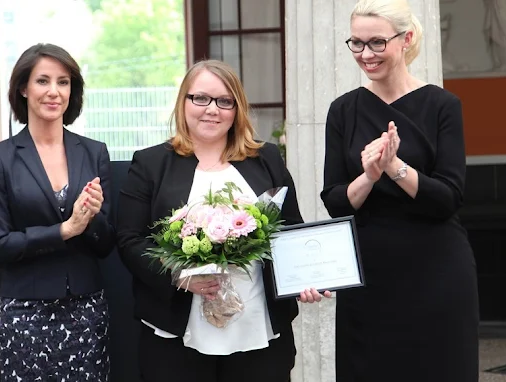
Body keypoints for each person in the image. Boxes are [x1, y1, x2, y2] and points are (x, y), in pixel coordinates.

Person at [116, 59, 331, 382]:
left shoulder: (267, 158)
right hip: (177, 335)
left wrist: (305, 277)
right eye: (200, 98)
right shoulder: (151, 164)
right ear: (183, 102)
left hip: (259, 330)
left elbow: (290, 230)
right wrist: (178, 276)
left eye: (224, 101)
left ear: (237, 109)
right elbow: (130, 239)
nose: (211, 110)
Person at [321, 1, 479, 381]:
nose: (365, 54)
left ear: (406, 39)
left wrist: (395, 168)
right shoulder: (343, 110)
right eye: (356, 44)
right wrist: (370, 175)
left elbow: (448, 199)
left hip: (436, 270)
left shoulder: (443, 105)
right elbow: (335, 201)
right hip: (369, 275)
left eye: (376, 43)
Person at [0, 43, 115, 381]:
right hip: (25, 311)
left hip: (86, 308)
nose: (54, 91)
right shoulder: (0, 157)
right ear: (23, 88)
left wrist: (94, 218)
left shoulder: (94, 152)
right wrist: (65, 230)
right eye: (43, 81)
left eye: (63, 82)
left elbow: (106, 244)